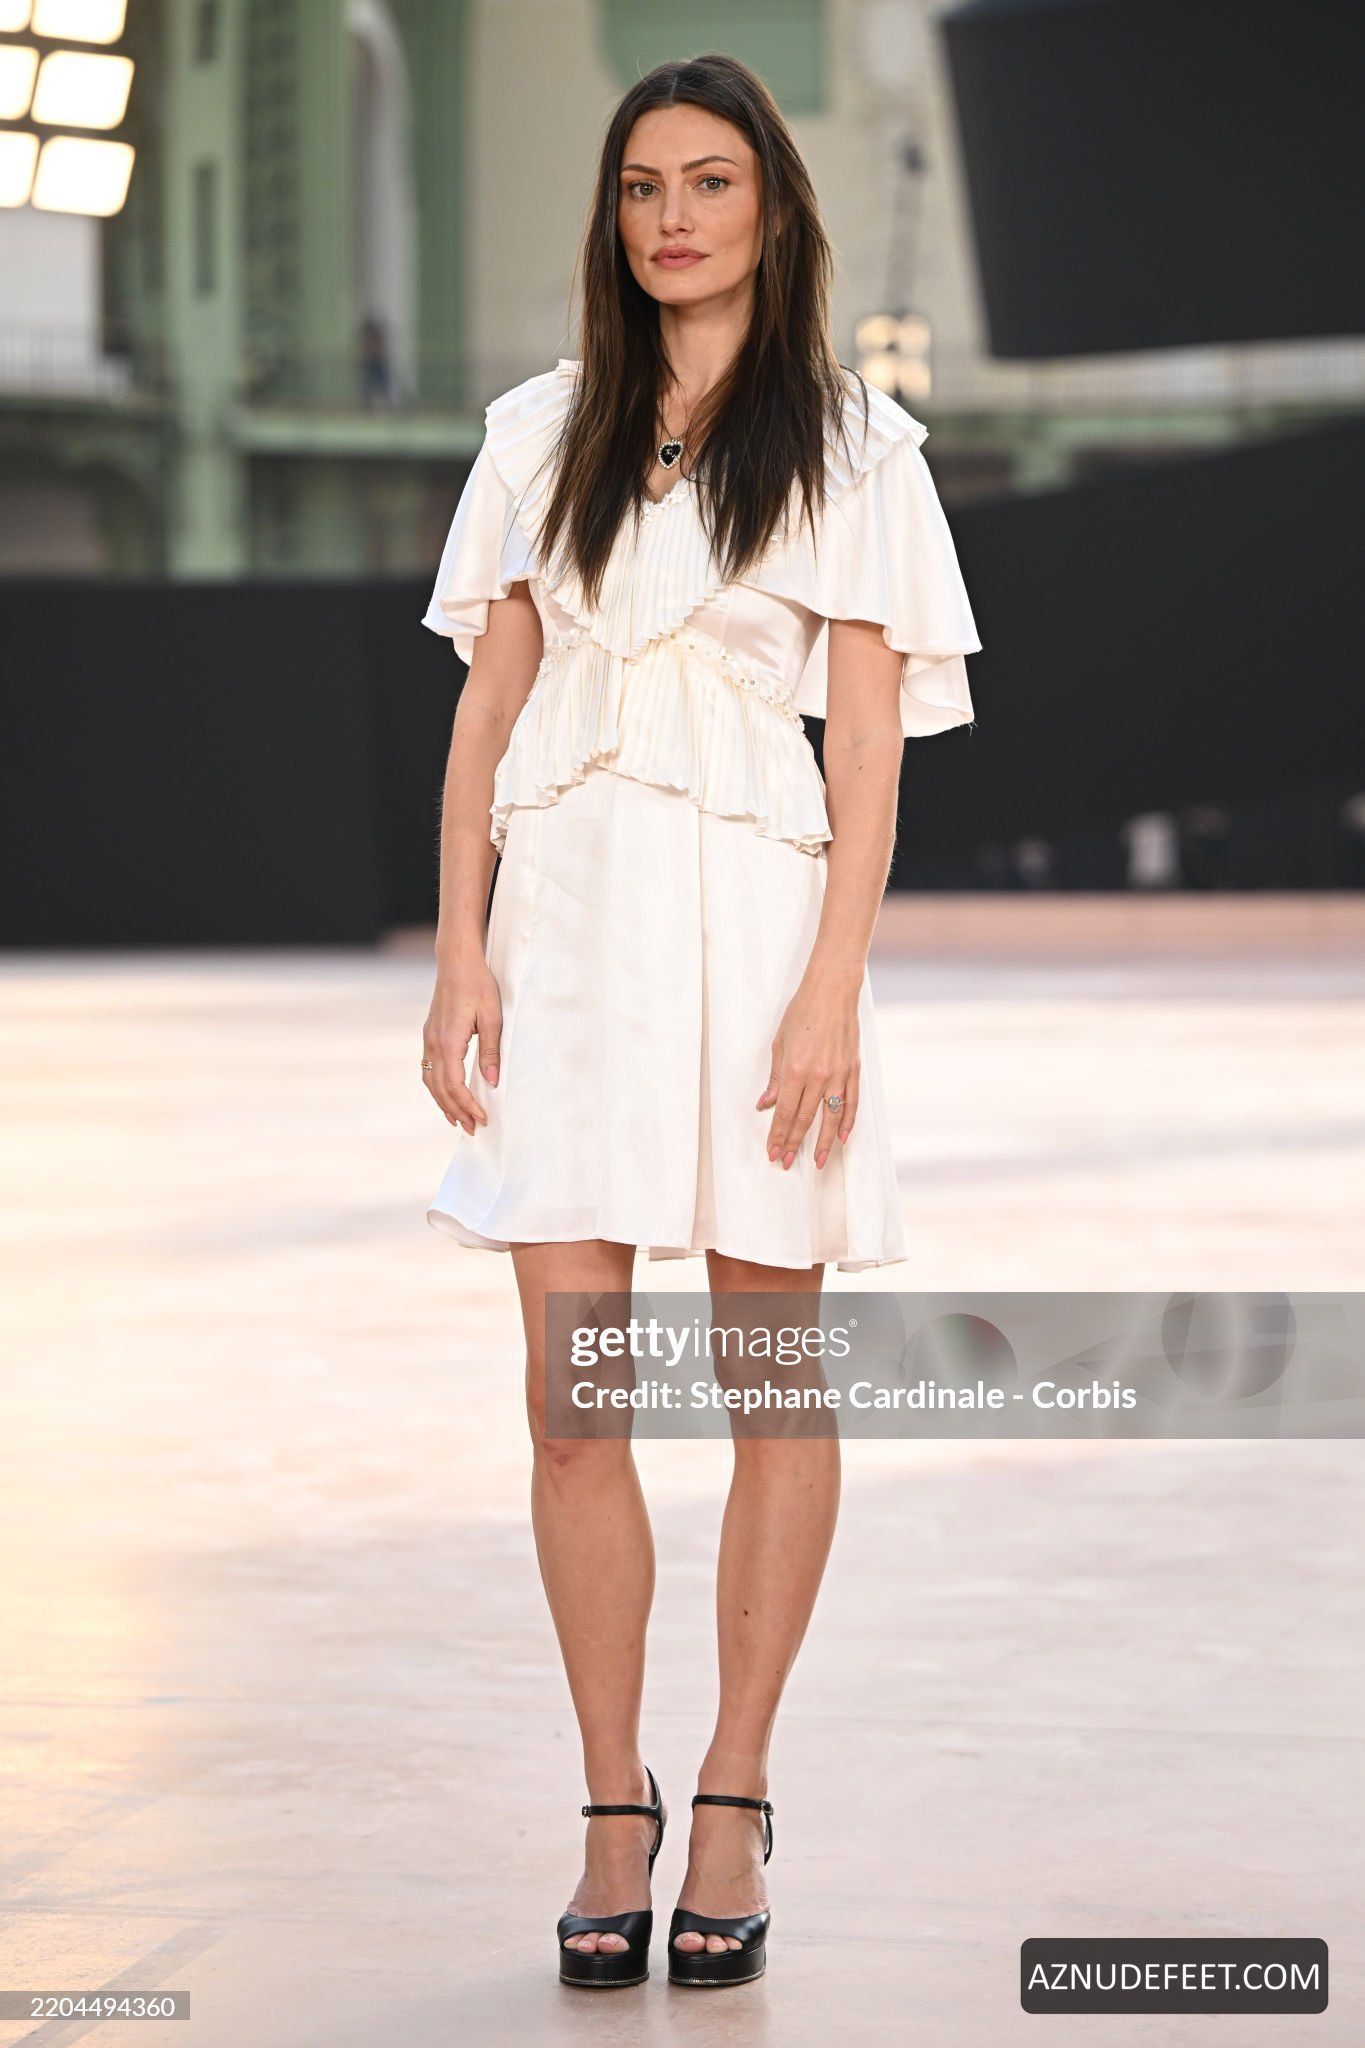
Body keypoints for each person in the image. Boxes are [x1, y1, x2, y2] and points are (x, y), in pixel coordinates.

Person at [418, 54, 980, 1992]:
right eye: (643, 183)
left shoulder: (855, 449)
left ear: (771, 209)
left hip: (756, 931)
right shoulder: (536, 434)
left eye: (711, 181)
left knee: (768, 1380)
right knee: (573, 1407)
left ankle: (732, 1788)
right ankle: (610, 1800)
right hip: (565, 929)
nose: (672, 215)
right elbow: (486, 711)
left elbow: (868, 749)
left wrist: (832, 987)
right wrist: (460, 947)